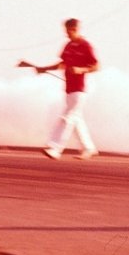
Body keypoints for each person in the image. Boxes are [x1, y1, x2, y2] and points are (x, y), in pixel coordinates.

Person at [21, 18, 99, 160]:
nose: (67, 34)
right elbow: (62, 64)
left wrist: (80, 69)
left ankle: (55, 148)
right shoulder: (68, 46)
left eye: (70, 30)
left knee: (67, 117)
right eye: (66, 31)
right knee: (76, 119)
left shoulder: (86, 45)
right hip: (69, 89)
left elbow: (96, 66)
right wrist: (44, 68)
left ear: (76, 29)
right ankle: (89, 148)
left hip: (79, 90)